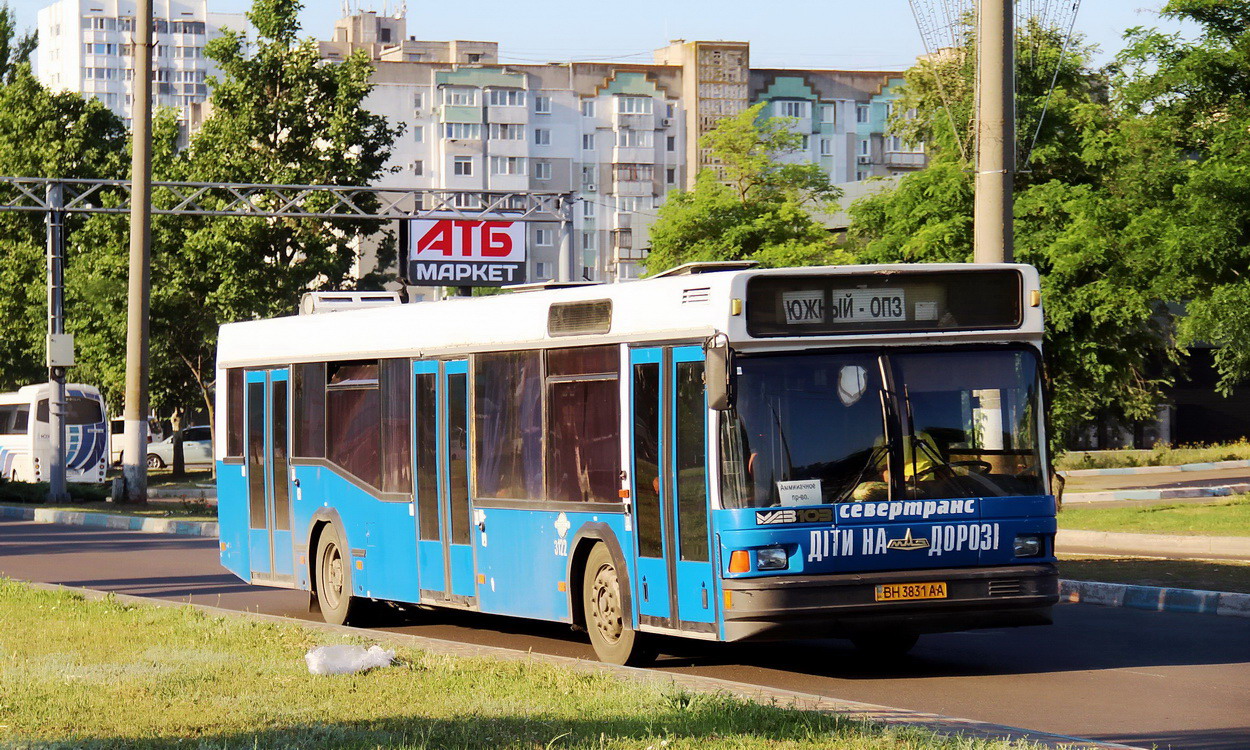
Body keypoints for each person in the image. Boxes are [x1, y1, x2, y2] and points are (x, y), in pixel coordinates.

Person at [851, 431, 941, 502]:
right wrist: (902, 479)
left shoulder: (923, 436)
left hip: (926, 488)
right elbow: (883, 469)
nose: (902, 419)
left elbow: (939, 465)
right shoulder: (882, 439)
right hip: (894, 491)